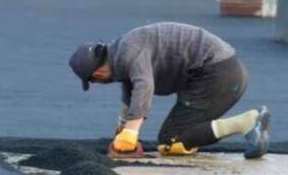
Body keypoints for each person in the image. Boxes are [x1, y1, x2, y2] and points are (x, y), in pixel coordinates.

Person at [69, 22, 270, 158]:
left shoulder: (128, 53)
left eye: (93, 82)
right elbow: (130, 92)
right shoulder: (121, 50)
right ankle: (196, 136)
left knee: (170, 141)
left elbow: (143, 85)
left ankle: (248, 122)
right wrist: (122, 130)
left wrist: (130, 133)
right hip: (222, 72)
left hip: (217, 76)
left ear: (97, 75)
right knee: (181, 138)